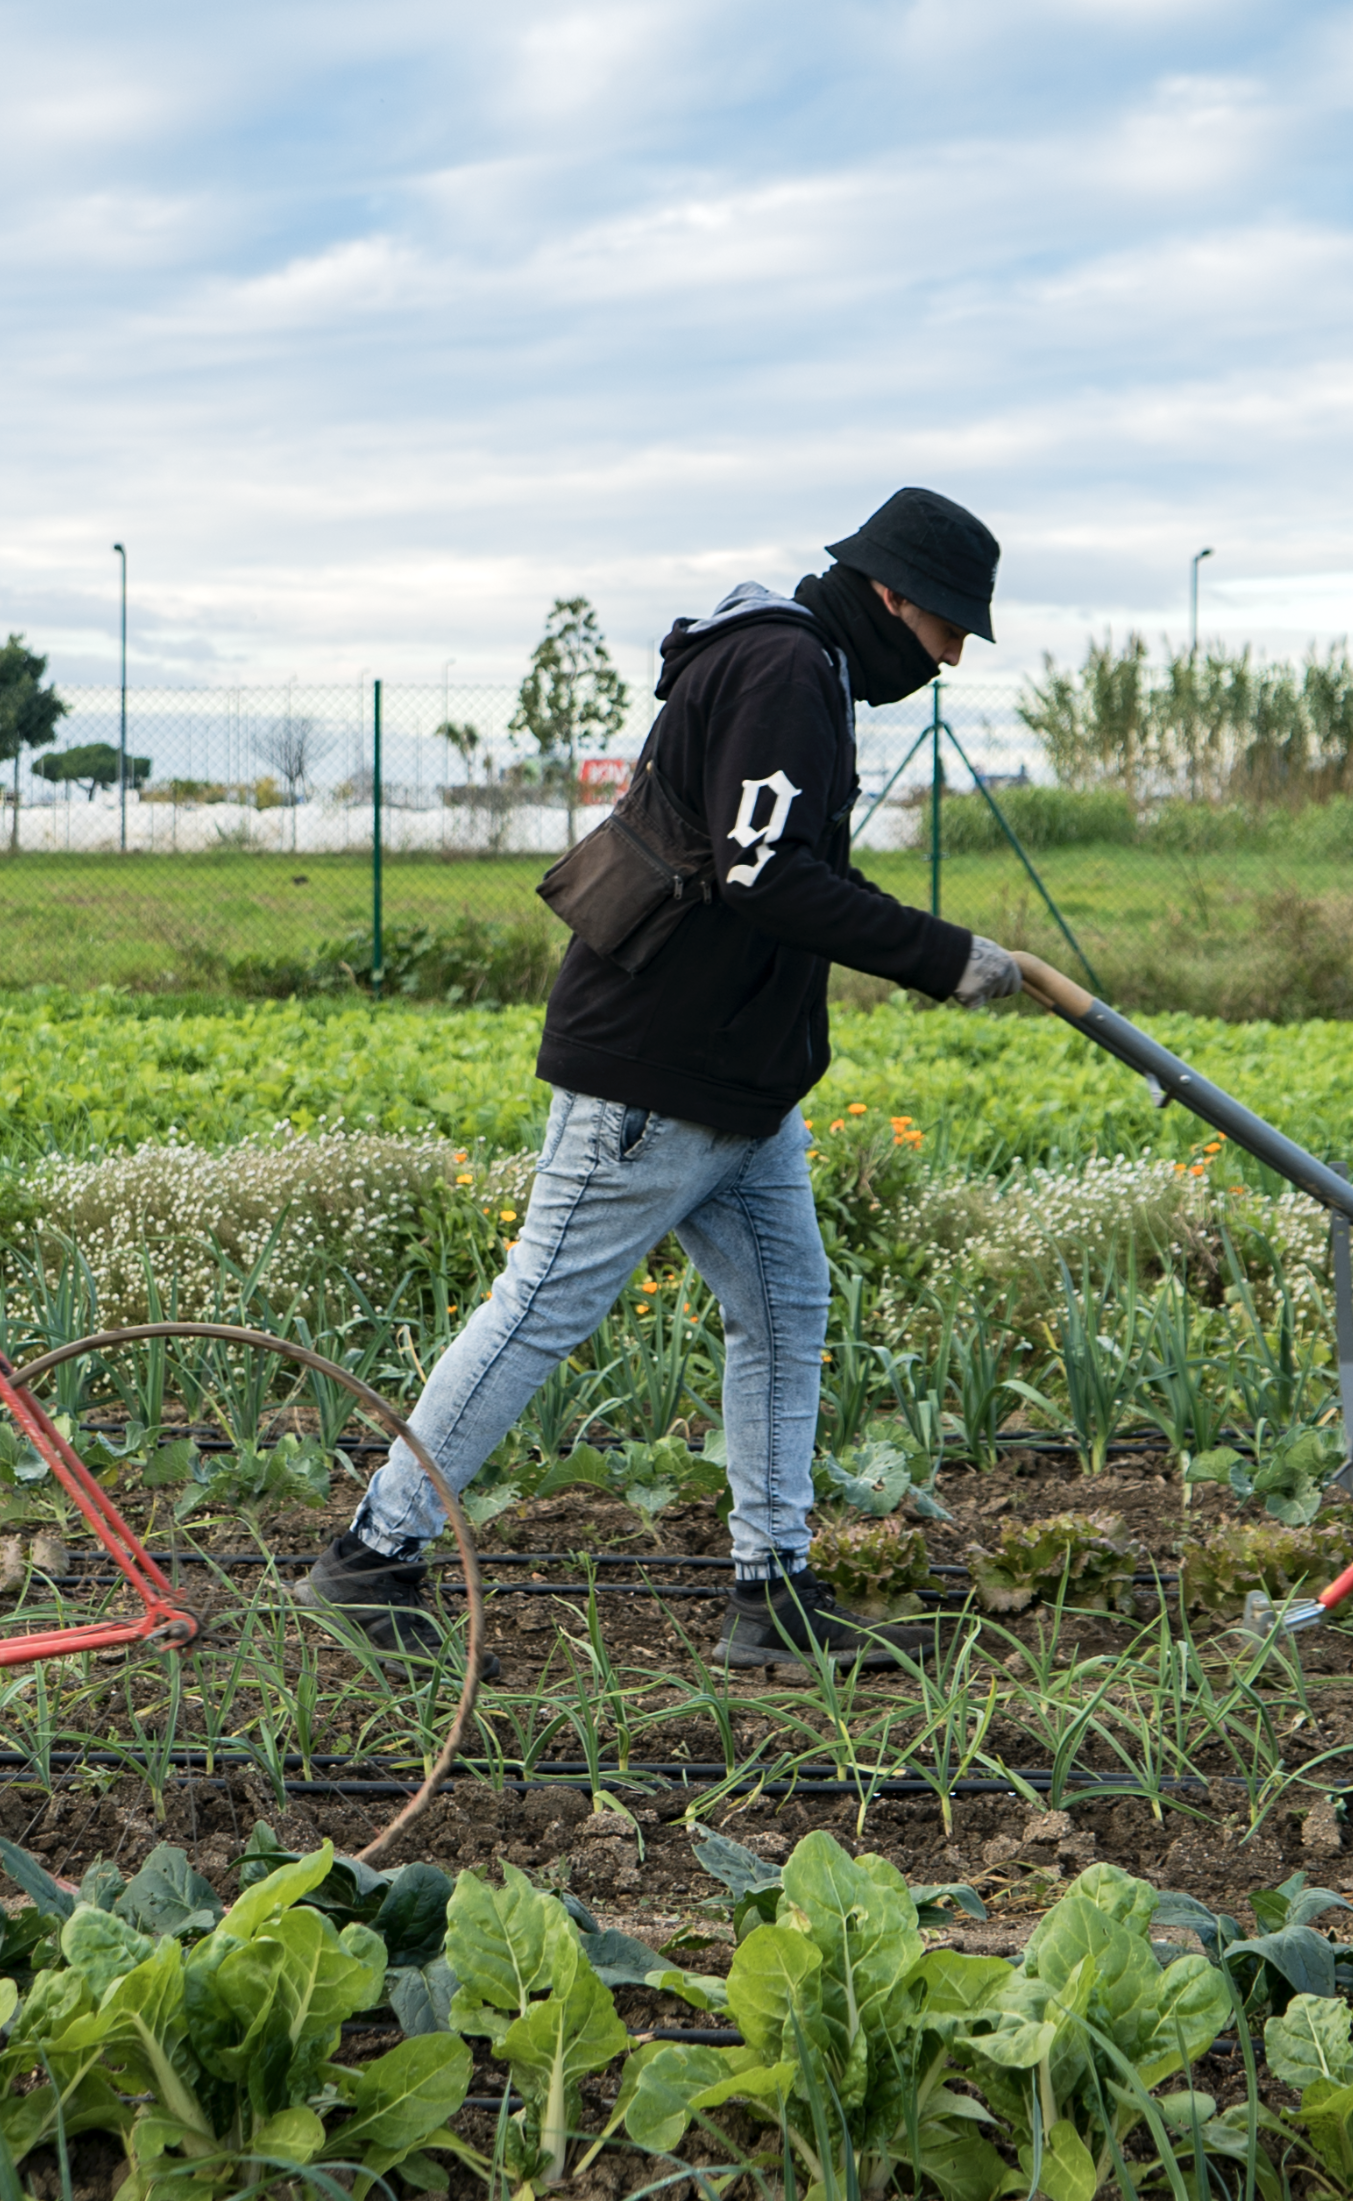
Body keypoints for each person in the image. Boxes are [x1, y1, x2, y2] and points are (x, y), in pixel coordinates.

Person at [300, 486, 1020, 1674]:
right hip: (657, 1067)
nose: (945, 660)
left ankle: (770, 1590)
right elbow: (765, 877)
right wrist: (946, 956)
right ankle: (373, 1552)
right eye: (948, 630)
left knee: (787, 1309)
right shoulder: (786, 669)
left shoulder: (803, 667)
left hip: (737, 1078)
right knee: (539, 1306)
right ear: (897, 599)